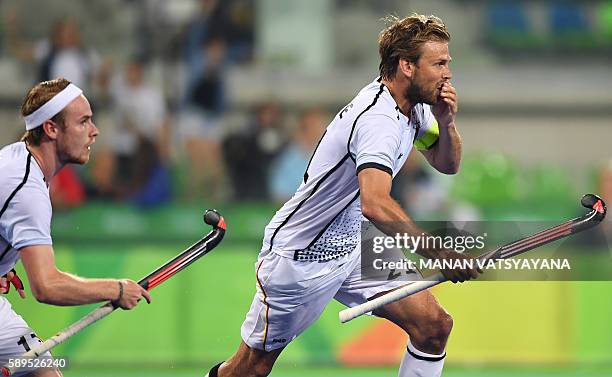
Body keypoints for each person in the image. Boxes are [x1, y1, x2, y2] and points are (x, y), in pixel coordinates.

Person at [205, 14, 481, 377]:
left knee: (433, 328)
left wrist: (446, 123)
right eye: (439, 63)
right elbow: (376, 204)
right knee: (250, 369)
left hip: (355, 245)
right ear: (407, 66)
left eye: (448, 63)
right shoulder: (378, 121)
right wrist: (438, 253)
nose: (447, 73)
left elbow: (448, 164)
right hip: (303, 257)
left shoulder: (415, 109)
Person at [0, 78, 151, 377]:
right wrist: (116, 288)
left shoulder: (18, 159)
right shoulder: (27, 189)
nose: (94, 131)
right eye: (83, 122)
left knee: (42, 372)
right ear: (52, 129)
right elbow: (46, 286)